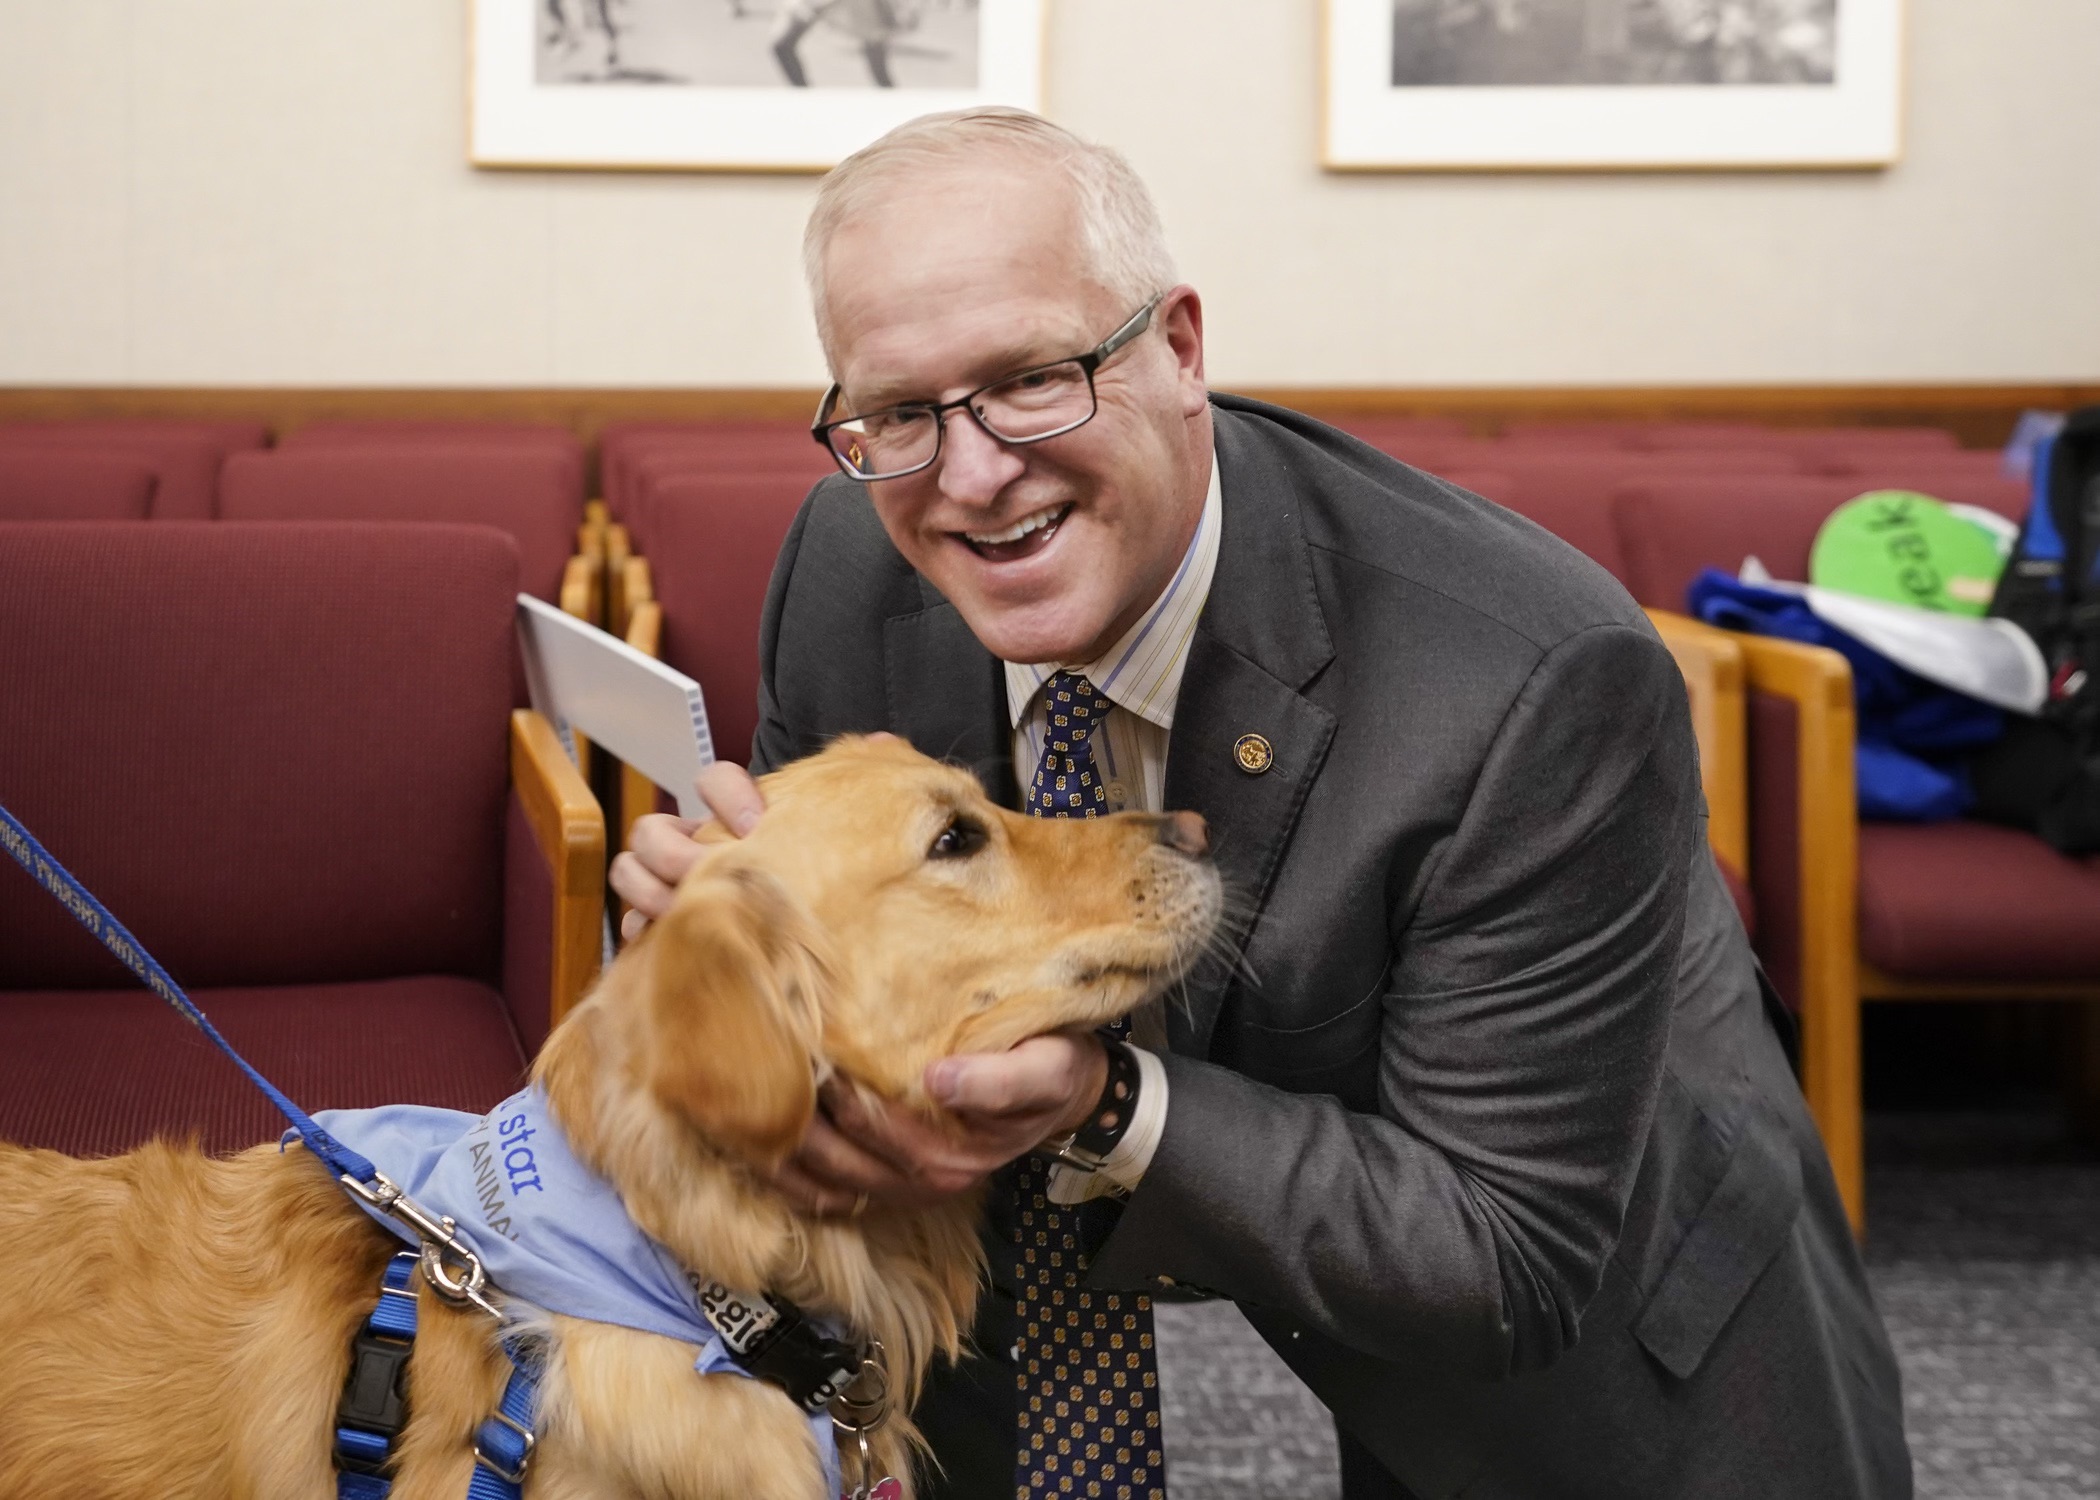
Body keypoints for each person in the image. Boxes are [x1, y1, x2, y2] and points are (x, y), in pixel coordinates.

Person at [612, 107, 1911, 1500]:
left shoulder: (1530, 681)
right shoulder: (851, 561)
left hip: (1581, 1310)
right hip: (990, 1312)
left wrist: (1100, 1102)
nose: (973, 475)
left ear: (1178, 348)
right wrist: (725, 948)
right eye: (901, 410)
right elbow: (842, 984)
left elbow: (1503, 1251)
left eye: (1034, 378)